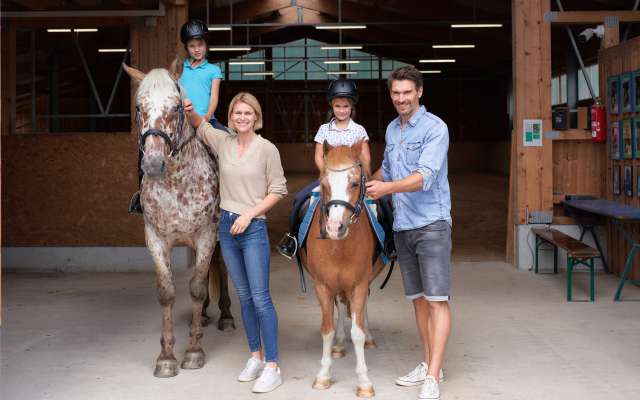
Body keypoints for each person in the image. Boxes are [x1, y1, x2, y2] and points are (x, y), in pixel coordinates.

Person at [184, 92, 287, 394]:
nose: (242, 118)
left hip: (253, 227)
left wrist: (250, 214)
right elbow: (199, 124)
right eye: (237, 113)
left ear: (256, 117)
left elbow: (278, 189)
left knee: (260, 298)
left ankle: (273, 366)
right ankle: (255, 356)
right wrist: (189, 108)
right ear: (230, 117)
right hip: (227, 228)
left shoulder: (267, 149)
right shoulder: (223, 142)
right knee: (242, 295)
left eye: (248, 113)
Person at [366, 65, 452, 400]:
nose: (401, 99)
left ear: (419, 92)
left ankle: (433, 377)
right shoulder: (392, 129)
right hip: (403, 225)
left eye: (407, 92)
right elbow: (386, 169)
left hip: (431, 223)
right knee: (417, 300)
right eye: (396, 93)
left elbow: (424, 176)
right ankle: (430, 362)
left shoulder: (435, 128)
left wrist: (385, 188)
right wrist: (361, 187)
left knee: (436, 301)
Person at [128, 19, 224, 213]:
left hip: (206, 120)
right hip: (181, 122)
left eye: (200, 45)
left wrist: (206, 118)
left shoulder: (214, 70)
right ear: (187, 48)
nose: (197, 49)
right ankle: (141, 194)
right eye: (192, 46)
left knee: (227, 146)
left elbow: (214, 97)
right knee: (145, 149)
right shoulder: (178, 71)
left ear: (206, 45)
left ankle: (226, 197)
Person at [276, 79, 371, 259]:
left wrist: (364, 176)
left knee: (381, 205)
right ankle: (292, 239)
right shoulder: (324, 129)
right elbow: (319, 156)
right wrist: (327, 175)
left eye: (345, 106)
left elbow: (365, 157)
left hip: (351, 180)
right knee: (299, 199)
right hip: (330, 178)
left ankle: (389, 242)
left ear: (352, 107)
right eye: (337, 106)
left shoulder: (359, 130)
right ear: (332, 106)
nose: (341, 110)